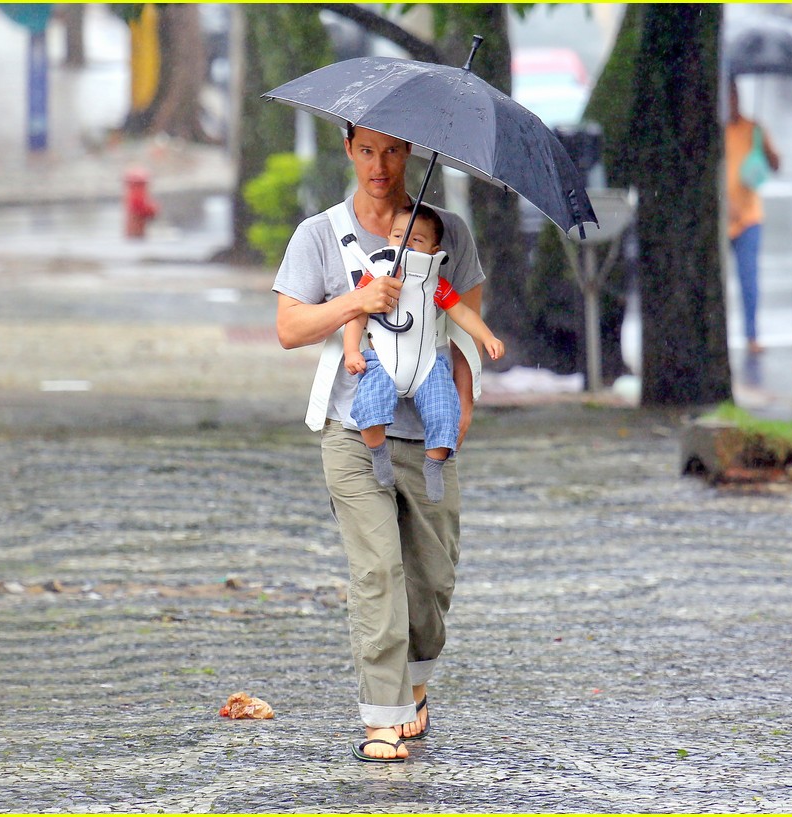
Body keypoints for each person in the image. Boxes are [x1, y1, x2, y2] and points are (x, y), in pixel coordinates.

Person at [272, 125, 486, 762]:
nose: (380, 165)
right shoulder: (320, 233)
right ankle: (382, 720)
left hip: (429, 438)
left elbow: (463, 332)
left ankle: (414, 679)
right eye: (367, 150)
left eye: (393, 150)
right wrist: (355, 301)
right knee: (377, 573)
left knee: (431, 580)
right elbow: (289, 328)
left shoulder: (448, 234)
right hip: (351, 431)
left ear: (411, 154)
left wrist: (465, 406)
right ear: (348, 150)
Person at [343, 205, 504, 502]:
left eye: (416, 240)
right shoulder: (376, 276)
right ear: (387, 238)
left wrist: (487, 336)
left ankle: (433, 464)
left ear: (434, 248)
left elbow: (462, 313)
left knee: (445, 412)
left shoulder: (437, 285)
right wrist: (352, 350)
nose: (405, 243)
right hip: (384, 363)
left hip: (427, 367)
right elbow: (356, 317)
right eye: (398, 236)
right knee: (370, 404)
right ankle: (378, 454)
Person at [725, 79, 781, 355]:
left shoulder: (752, 129)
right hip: (722, 218)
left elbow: (776, 164)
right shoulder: (716, 133)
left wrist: (764, 146)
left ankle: (752, 335)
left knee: (749, 279)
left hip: (749, 216)